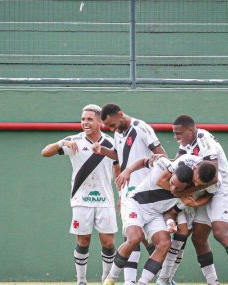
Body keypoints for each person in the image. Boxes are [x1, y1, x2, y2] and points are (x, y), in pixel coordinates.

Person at [172, 114, 228, 285]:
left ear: (190, 130)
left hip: (222, 189)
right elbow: (176, 164)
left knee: (219, 231)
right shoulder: (186, 145)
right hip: (204, 192)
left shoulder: (204, 139)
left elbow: (212, 177)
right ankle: (213, 282)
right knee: (198, 239)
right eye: (174, 133)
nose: (176, 137)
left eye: (179, 133)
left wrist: (185, 192)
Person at [103, 155, 217, 285]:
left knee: (164, 244)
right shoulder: (162, 164)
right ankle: (111, 278)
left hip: (155, 215)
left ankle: (142, 283)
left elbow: (171, 213)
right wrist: (128, 170)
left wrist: (170, 223)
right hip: (134, 204)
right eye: (172, 184)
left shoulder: (187, 195)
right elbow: (144, 160)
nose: (173, 189)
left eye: (178, 188)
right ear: (172, 172)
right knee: (135, 238)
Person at [41, 104, 119, 285]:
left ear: (100, 121)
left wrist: (122, 195)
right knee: (83, 240)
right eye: (83, 119)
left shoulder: (111, 143)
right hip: (81, 200)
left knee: (108, 242)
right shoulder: (73, 140)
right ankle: (81, 281)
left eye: (89, 119)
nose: (85, 122)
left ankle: (105, 280)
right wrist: (61, 143)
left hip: (105, 200)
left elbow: (118, 170)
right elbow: (45, 152)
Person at [93, 103, 166, 285]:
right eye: (108, 127)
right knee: (132, 237)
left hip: (148, 193)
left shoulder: (141, 128)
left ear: (120, 114)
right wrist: (102, 150)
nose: (111, 129)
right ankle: (129, 281)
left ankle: (164, 278)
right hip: (129, 194)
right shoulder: (118, 133)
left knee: (155, 241)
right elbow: (119, 157)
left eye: (112, 125)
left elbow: (161, 156)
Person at [156, 155, 219, 285]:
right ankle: (162, 280)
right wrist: (179, 192)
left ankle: (166, 279)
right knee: (181, 232)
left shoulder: (215, 182)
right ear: (194, 168)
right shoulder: (183, 161)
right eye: (195, 181)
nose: (196, 185)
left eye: (200, 185)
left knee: (182, 238)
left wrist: (194, 203)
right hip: (166, 199)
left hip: (187, 204)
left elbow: (208, 196)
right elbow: (161, 181)